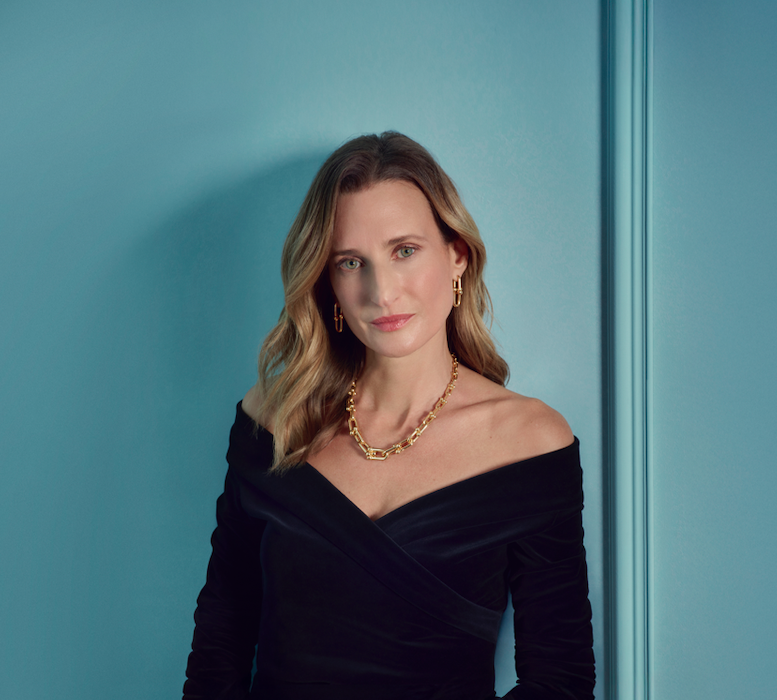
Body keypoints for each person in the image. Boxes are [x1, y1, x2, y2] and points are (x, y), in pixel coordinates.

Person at [183, 132, 595, 699]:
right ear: (328, 282)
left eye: (404, 250)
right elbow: (219, 645)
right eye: (351, 262)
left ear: (457, 255)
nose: (381, 291)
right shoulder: (273, 419)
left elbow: (561, 682)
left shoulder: (529, 441)